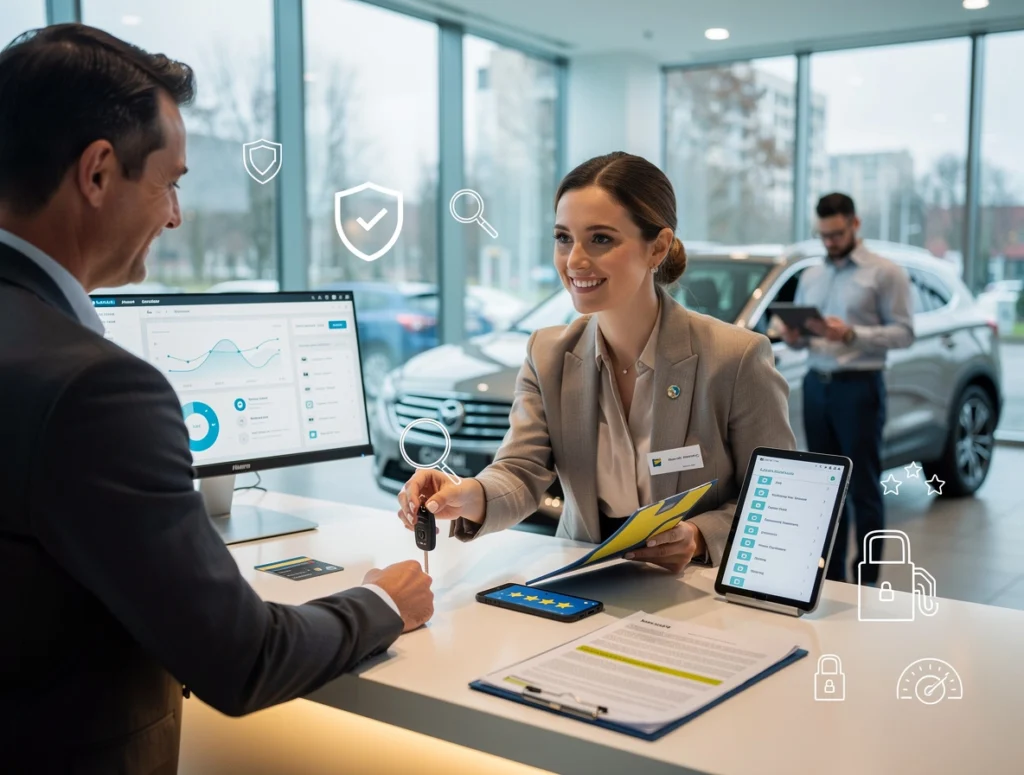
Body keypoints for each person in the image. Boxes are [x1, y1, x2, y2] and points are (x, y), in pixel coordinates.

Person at [0, 24, 433, 772]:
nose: (174, 216)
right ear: (98, 173)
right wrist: (383, 602)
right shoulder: (96, 387)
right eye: (170, 183)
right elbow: (242, 659)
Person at [398, 152, 795, 570]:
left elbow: (778, 501)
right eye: (563, 238)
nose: (574, 261)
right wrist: (467, 494)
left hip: (697, 587)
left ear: (657, 247)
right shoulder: (547, 354)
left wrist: (699, 537)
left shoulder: (735, 357)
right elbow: (521, 471)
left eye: (601, 239)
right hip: (585, 575)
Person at [779, 193, 914, 583]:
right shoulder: (811, 276)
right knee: (826, 490)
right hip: (816, 387)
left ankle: (867, 579)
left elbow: (905, 334)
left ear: (855, 224)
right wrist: (794, 335)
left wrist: (851, 333)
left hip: (860, 388)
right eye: (823, 235)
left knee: (864, 489)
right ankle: (831, 577)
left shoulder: (885, 273)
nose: (830, 242)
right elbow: (804, 339)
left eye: (836, 234)